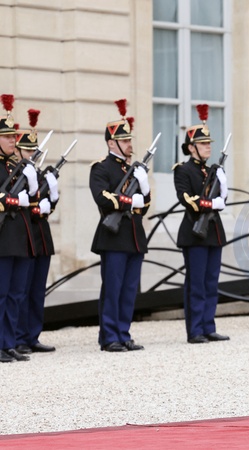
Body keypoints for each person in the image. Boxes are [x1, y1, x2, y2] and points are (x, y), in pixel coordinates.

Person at [89, 99, 149, 352]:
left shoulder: (133, 169)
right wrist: (129, 201)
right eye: (124, 140)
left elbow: (144, 205)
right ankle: (109, 336)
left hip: (134, 236)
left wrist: (144, 187)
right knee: (112, 289)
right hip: (113, 236)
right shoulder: (101, 168)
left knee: (129, 289)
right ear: (111, 143)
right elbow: (102, 197)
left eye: (129, 140)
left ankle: (123, 333)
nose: (129, 144)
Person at [173, 104, 230, 344]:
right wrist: (211, 204)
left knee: (211, 282)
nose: (208, 146)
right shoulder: (183, 170)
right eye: (203, 143)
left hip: (213, 232)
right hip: (194, 232)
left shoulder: (212, 171)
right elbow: (187, 199)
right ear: (191, 147)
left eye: (208, 143)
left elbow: (222, 200)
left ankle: (208, 326)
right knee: (196, 283)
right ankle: (195, 329)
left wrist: (222, 189)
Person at [15, 109, 58, 355]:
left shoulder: (37, 173)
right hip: (25, 236)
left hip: (41, 236)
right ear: (18, 151)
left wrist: (53, 198)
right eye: (27, 150)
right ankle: (19, 337)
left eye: (33, 150)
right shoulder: (17, 173)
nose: (32, 154)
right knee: (21, 290)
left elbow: (46, 205)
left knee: (37, 290)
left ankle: (33, 335)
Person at [0, 94, 36, 363]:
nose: (13, 140)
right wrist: (13, 200)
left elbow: (33, 199)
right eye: (7, 136)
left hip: (21, 237)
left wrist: (33, 187)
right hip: (2, 238)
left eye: (14, 136)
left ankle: (9, 343)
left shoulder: (17, 165)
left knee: (15, 295)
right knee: (1, 294)